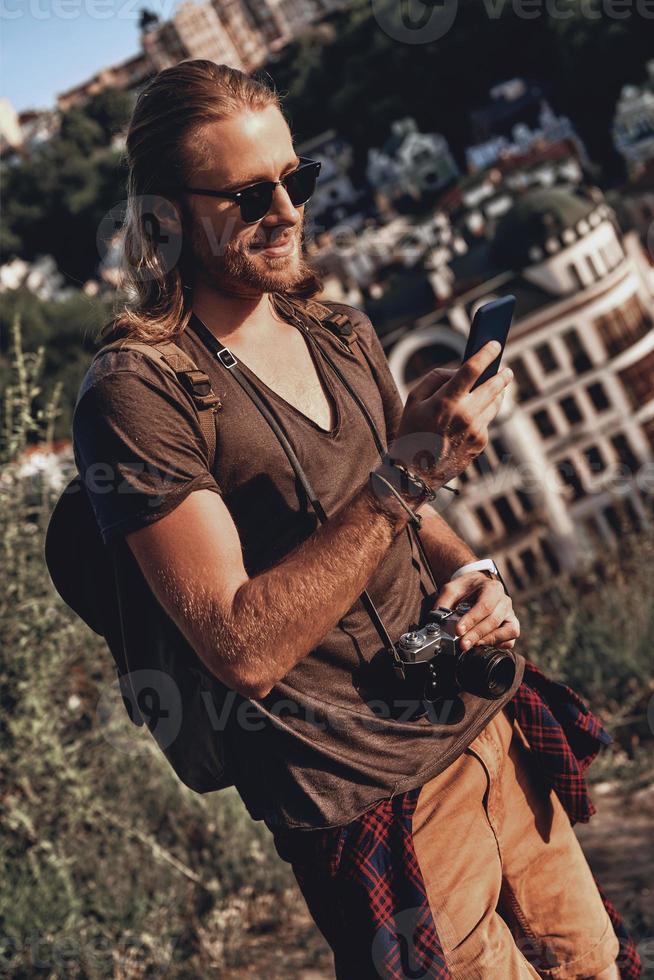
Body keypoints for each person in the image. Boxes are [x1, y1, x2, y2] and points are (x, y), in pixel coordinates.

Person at [73, 61, 628, 979]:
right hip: (371, 800)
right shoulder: (141, 392)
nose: (287, 210)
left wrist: (473, 572)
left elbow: (402, 528)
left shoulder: (337, 330)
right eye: (250, 194)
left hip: (488, 733)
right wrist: (410, 473)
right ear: (164, 217)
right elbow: (239, 648)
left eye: (298, 179)